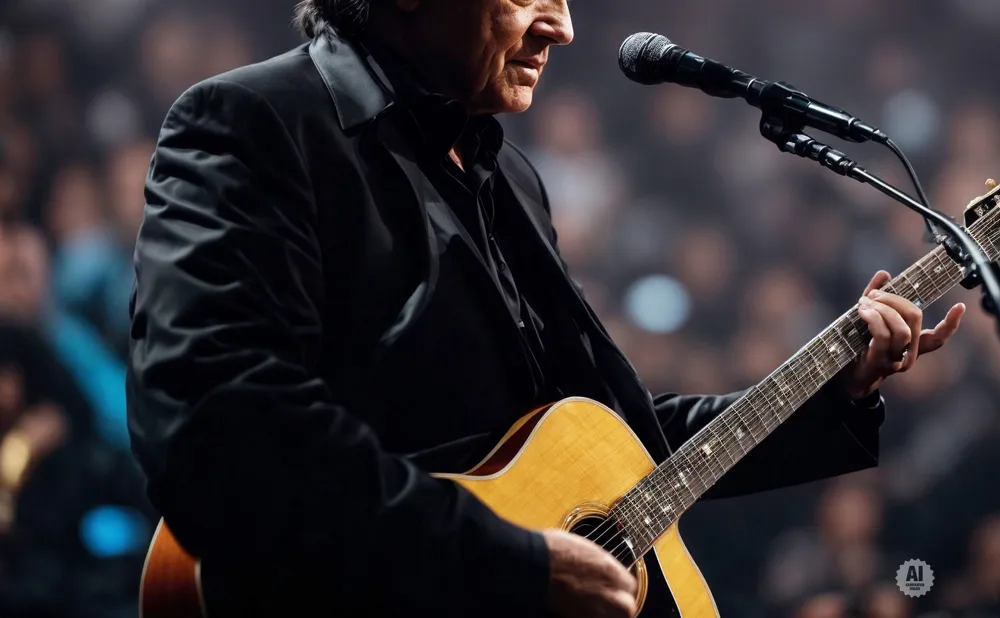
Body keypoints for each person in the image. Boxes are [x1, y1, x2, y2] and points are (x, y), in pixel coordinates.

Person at [126, 1, 966, 617]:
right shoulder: (253, 123)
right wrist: (506, 565)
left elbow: (610, 453)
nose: (562, 25)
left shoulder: (511, 180)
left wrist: (839, 386)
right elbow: (219, 421)